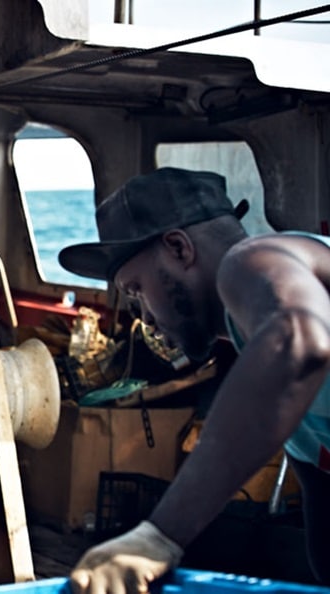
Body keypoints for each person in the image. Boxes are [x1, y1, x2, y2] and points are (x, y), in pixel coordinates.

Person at [57, 167, 330, 593]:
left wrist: (159, 536)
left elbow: (299, 340)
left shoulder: (254, 261)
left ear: (179, 249)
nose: (142, 316)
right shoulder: (256, 335)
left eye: (136, 290)